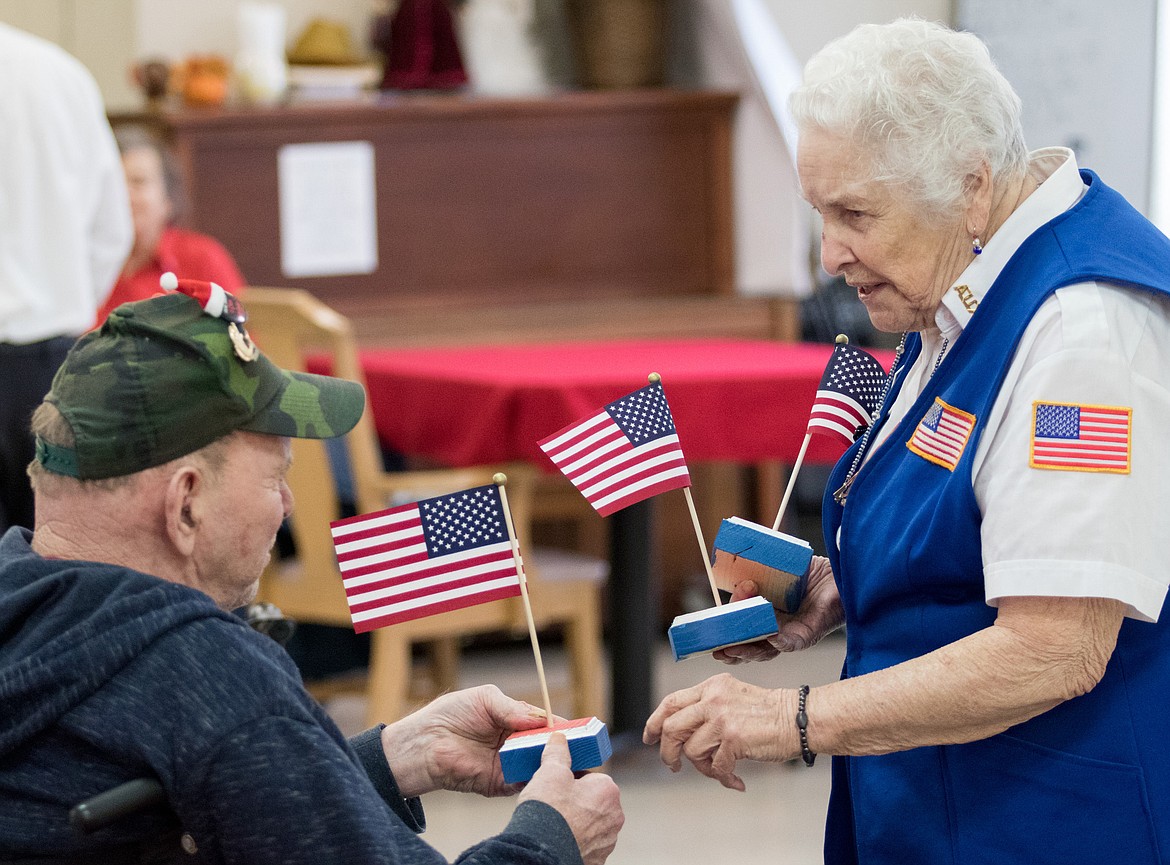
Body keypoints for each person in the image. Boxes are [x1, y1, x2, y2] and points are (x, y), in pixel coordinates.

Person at [643, 17, 1170, 865]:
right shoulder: (961, 282)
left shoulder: (1082, 337)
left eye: (855, 213)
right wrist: (840, 586)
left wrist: (791, 717)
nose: (830, 256)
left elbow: (1057, 648)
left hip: (1052, 822)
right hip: (938, 806)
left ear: (970, 184)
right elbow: (980, 522)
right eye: (821, 212)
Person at [0, 284, 623, 864]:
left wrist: (388, 758)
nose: (289, 505)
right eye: (276, 478)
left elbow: (222, 808)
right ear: (185, 504)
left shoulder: (24, 605)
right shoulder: (211, 679)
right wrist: (550, 838)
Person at [0, 23, 133, 535]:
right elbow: (111, 231)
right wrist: (64, 301)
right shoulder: (60, 74)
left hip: (57, 355)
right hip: (56, 366)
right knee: (53, 560)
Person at [95, 125, 246, 326]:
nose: (122, 195)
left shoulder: (203, 258)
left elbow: (246, 339)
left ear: (168, 199)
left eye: (138, 182)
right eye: (114, 184)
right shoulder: (84, 264)